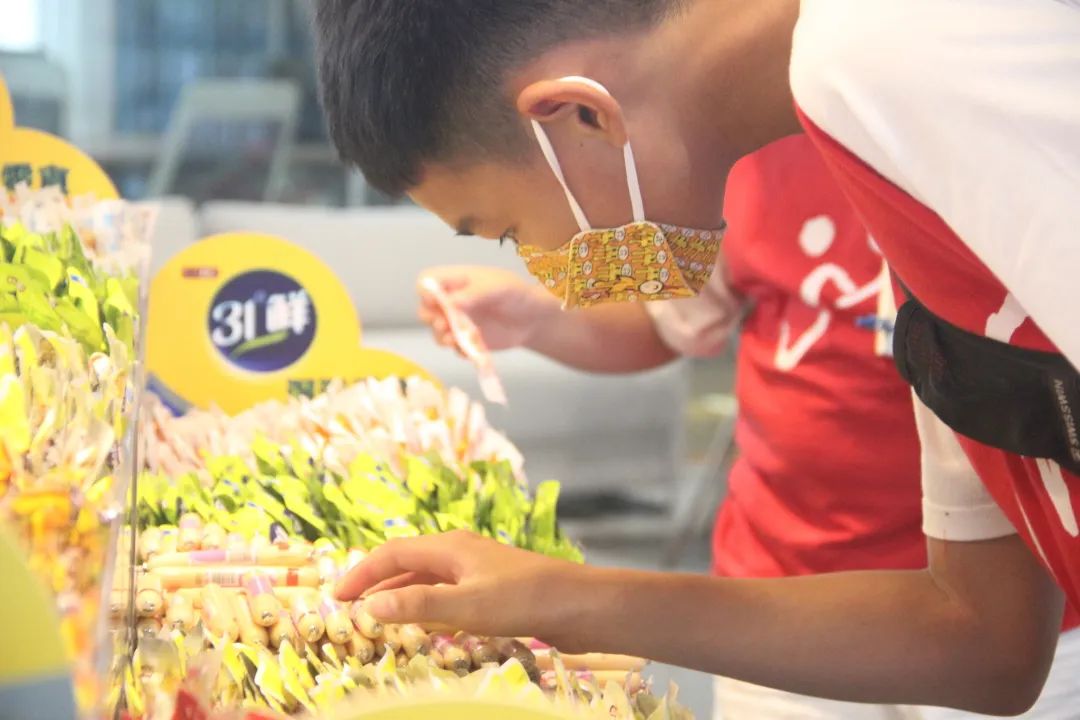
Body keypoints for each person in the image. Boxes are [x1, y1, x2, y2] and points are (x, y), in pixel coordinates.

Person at [315, 0, 1080, 714]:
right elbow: (987, 637)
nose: (543, 263)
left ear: (576, 112)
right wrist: (560, 598)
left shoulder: (878, 56)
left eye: (510, 230)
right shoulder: (866, 135)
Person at [417, 133, 1080, 719]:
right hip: (782, 599)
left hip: (1023, 602)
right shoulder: (750, 143)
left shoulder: (999, 144)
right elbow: (665, 321)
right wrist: (537, 316)